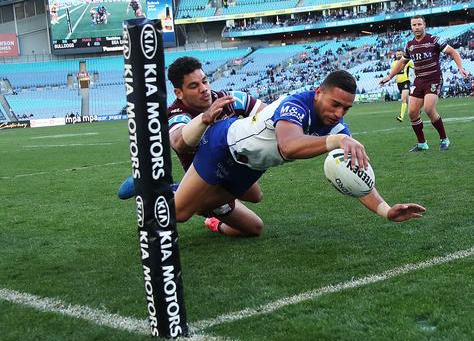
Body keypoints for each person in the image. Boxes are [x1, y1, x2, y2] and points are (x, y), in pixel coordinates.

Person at [175, 70, 425, 229]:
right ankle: (157, 189)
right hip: (222, 146)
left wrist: (386, 210)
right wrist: (336, 142)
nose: (339, 113)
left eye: (345, 109)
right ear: (318, 93)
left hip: (250, 168)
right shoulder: (295, 104)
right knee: (180, 213)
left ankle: (185, 193)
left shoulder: (337, 128)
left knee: (245, 225)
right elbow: (289, 146)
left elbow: (355, 176)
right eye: (335, 104)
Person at [119, 56, 268, 236]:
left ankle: (211, 220)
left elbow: (268, 115)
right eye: (194, 86)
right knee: (181, 213)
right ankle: (161, 189)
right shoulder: (177, 113)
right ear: (179, 93)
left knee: (255, 205)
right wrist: (205, 119)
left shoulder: (228, 99)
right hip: (203, 183)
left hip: (229, 171)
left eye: (204, 81)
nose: (204, 89)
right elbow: (178, 143)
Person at [379, 15, 469, 152]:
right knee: (412, 112)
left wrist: (461, 68)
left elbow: (452, 52)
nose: (417, 27)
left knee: (428, 109)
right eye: (414, 25)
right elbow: (402, 62)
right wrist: (389, 76)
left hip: (433, 79)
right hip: (419, 81)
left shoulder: (434, 40)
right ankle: (422, 143)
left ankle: (444, 139)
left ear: (424, 25)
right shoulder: (410, 45)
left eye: (419, 24)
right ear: (411, 27)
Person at [383, 50, 414, 122]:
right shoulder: (394, 63)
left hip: (406, 81)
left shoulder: (408, 61)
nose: (399, 55)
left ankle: (401, 117)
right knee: (408, 100)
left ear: (403, 54)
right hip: (399, 83)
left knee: (403, 99)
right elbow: (393, 73)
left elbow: (415, 67)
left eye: (400, 54)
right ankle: (417, 110)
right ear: (396, 55)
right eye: (398, 54)